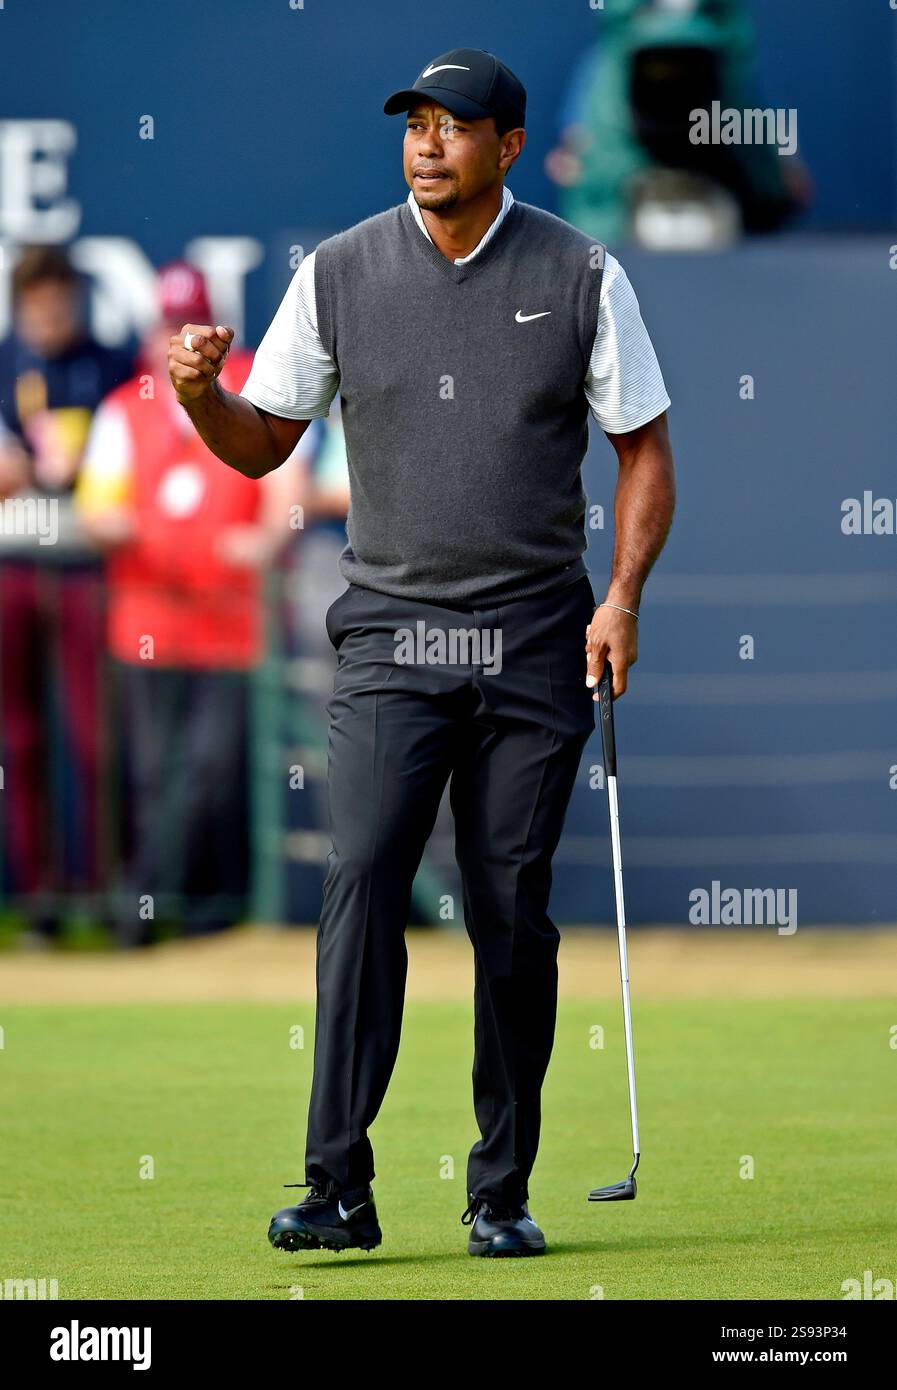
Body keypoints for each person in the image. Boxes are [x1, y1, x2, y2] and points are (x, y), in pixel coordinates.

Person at [167, 48, 676, 1257]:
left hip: (537, 641)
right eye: (416, 125)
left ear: (508, 145)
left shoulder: (582, 270)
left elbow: (644, 450)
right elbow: (261, 445)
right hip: (391, 641)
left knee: (510, 910)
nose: (428, 144)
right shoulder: (338, 272)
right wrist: (198, 396)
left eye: (456, 127)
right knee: (362, 884)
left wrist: (623, 597)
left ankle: (500, 1189)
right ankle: (337, 1185)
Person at [77, 262, 301, 944]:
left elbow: (284, 486)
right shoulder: (124, 408)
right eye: (168, 326)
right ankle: (149, 908)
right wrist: (113, 525)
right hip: (147, 623)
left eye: (191, 325)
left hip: (233, 625)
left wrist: (265, 539)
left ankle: (198, 909)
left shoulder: (256, 387)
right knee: (153, 773)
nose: (177, 339)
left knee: (215, 772)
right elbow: (98, 504)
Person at [0, 245, 134, 936]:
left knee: (94, 737)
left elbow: (133, 462)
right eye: (37, 308)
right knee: (19, 741)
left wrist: (88, 466)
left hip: (85, 573)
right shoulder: (3, 364)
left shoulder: (113, 366)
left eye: (59, 305)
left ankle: (109, 896)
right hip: (12, 569)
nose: (49, 319)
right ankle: (38, 905)